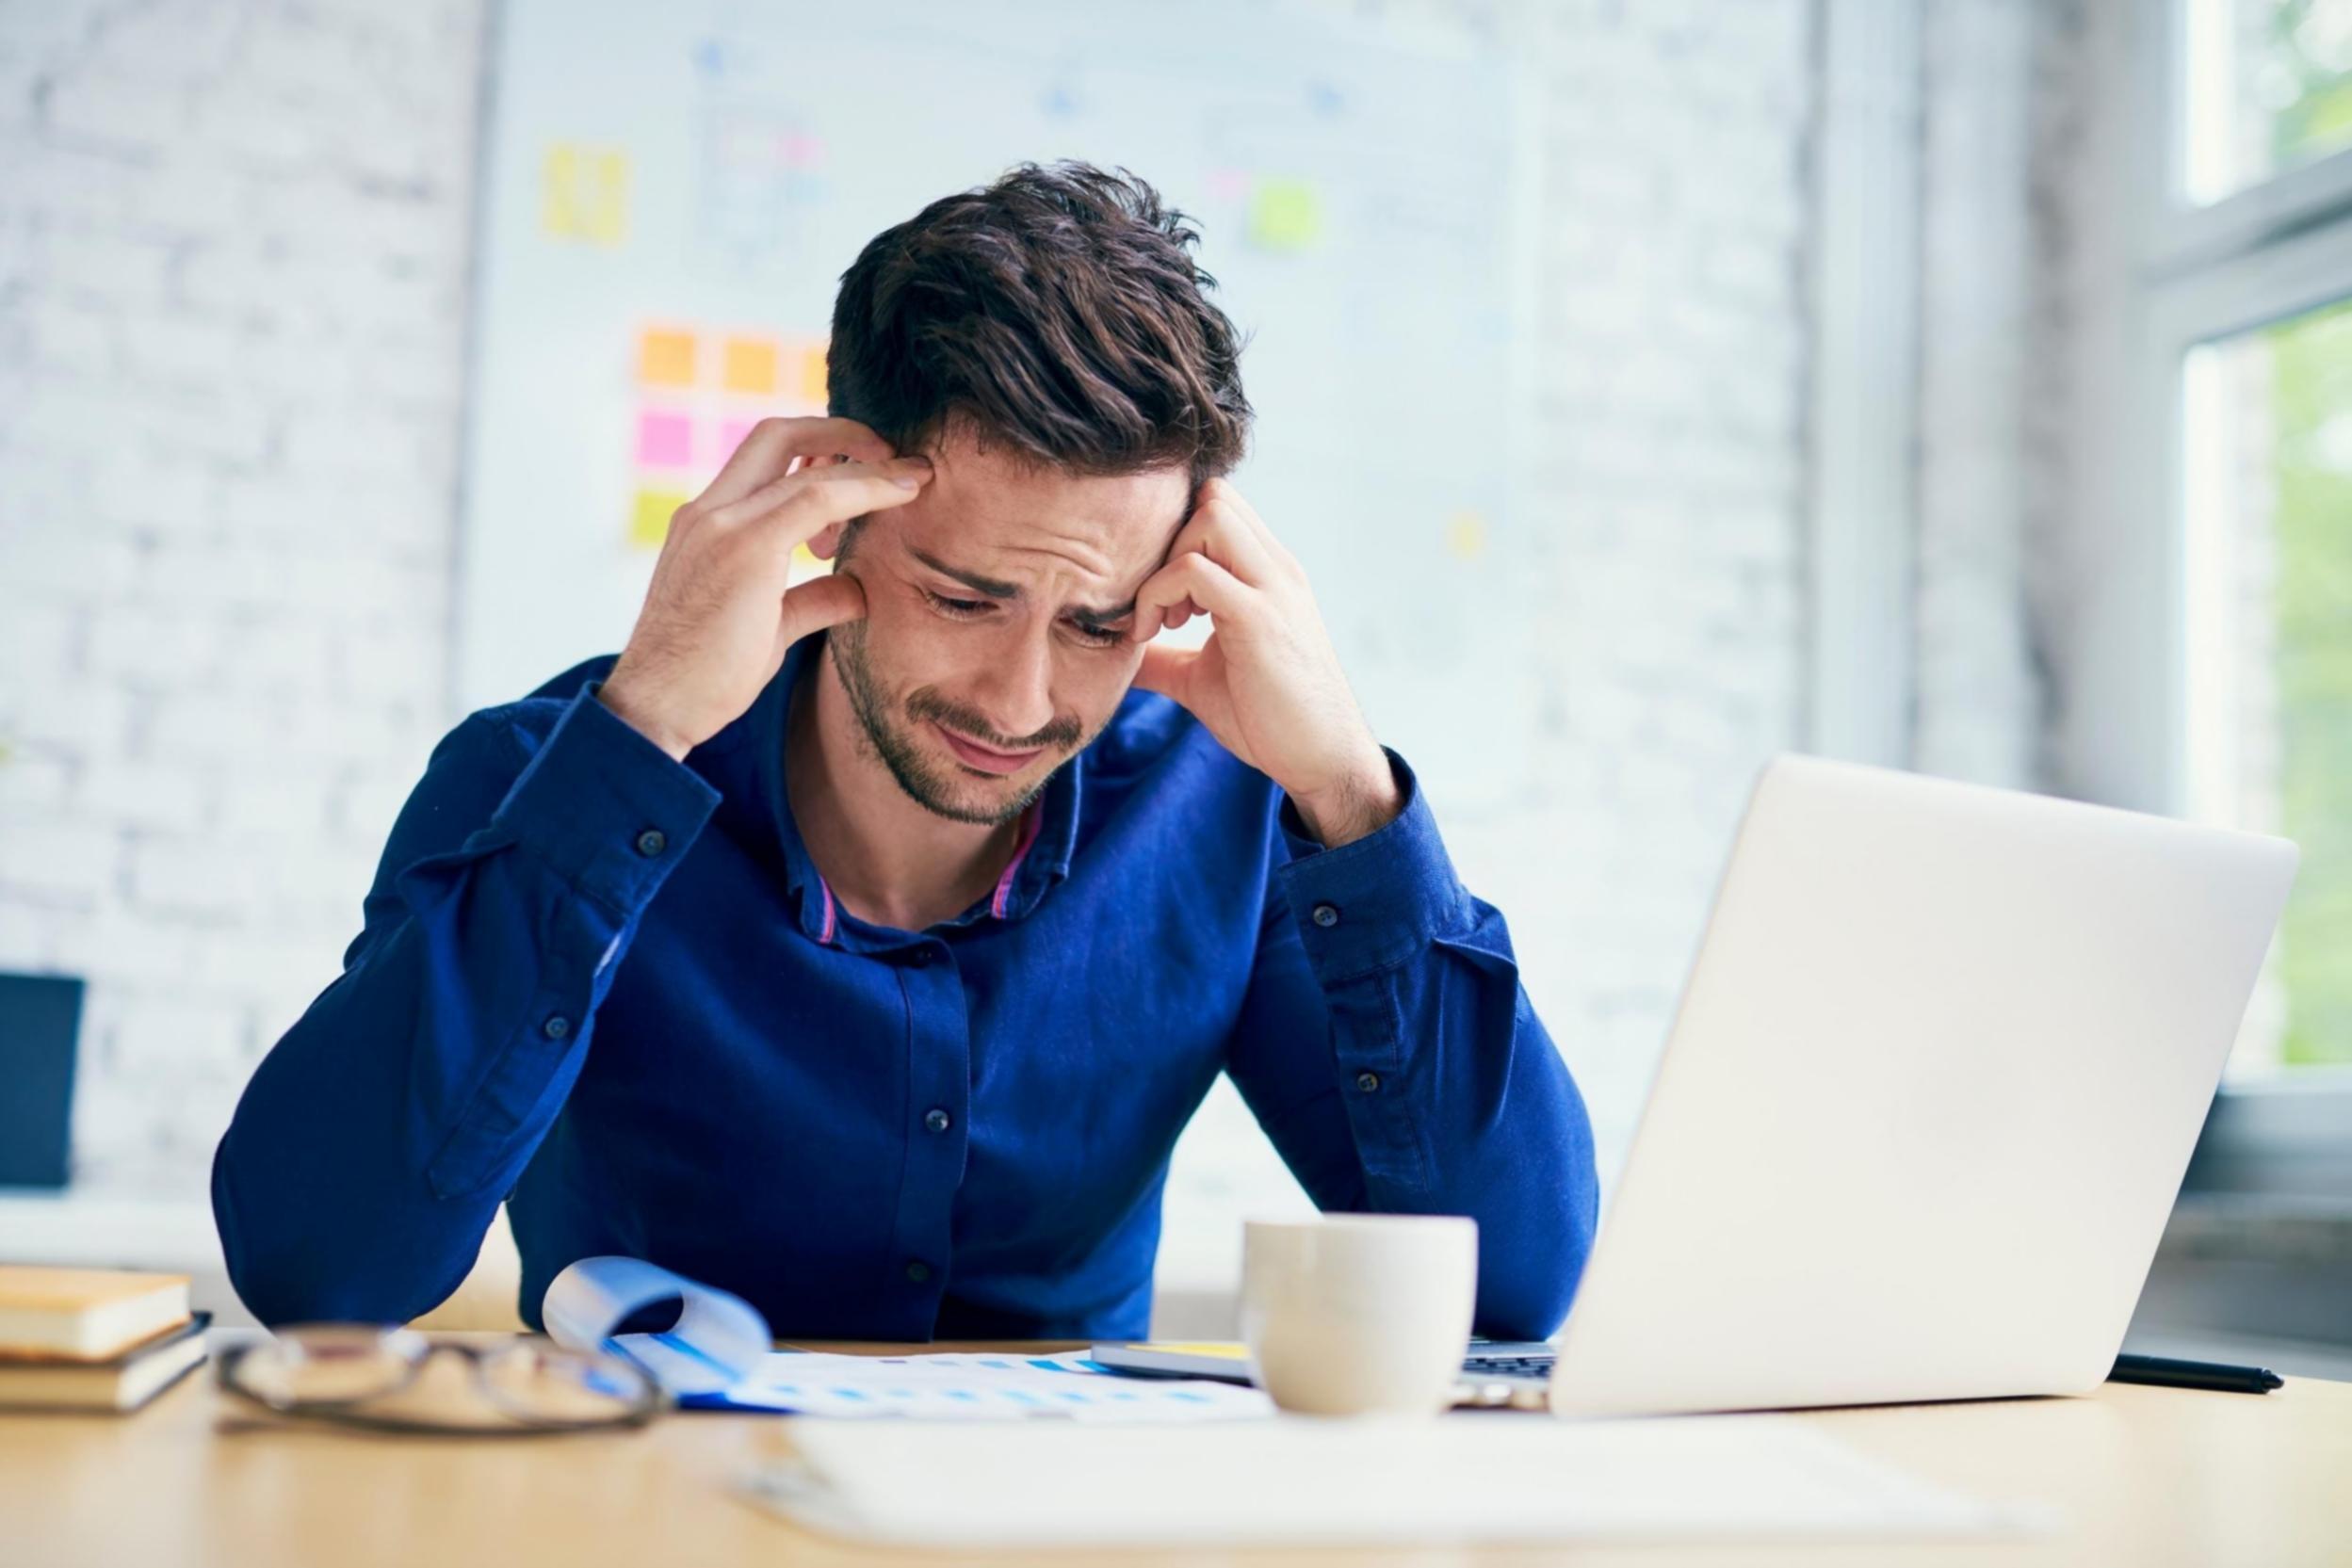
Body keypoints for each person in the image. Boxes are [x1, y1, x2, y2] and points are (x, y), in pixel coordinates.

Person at [212, 162, 1598, 1342]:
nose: (1019, 696)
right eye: (962, 596)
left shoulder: (1222, 813)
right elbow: (322, 1271)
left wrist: (1350, 793)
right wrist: (639, 733)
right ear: (832, 516)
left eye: (1099, 620)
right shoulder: (551, 779)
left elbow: (1513, 1286)